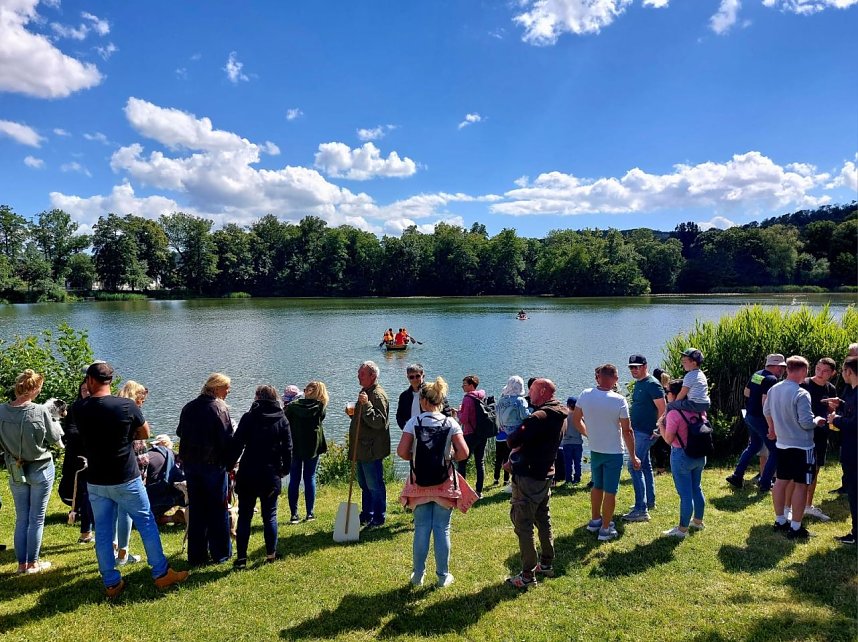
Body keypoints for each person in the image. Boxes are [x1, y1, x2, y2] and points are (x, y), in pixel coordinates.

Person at [74, 362, 187, 597]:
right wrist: (126, 434)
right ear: (109, 382)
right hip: (125, 477)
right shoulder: (126, 406)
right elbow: (145, 432)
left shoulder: (80, 408)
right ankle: (161, 573)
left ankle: (112, 582)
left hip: (96, 480)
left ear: (91, 381)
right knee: (146, 522)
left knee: (104, 530)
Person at [397, 377, 475, 588]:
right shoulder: (451, 423)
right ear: (441, 400)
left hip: (419, 482)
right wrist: (448, 456)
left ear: (423, 401)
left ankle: (417, 576)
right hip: (444, 482)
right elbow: (464, 453)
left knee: (421, 528)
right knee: (442, 529)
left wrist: (417, 455)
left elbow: (402, 452)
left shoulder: (414, 423)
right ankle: (442, 576)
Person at [504, 378, 568, 589]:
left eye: (531, 390)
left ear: (542, 391)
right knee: (543, 518)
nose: (528, 394)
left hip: (529, 477)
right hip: (546, 474)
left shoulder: (538, 417)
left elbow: (513, 439)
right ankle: (547, 563)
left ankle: (528, 575)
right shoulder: (561, 415)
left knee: (523, 524)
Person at [0, 369, 64, 574]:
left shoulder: (1, 410)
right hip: (40, 467)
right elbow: (55, 437)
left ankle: (21, 565)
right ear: (35, 389)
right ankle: (33, 564)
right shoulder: (39, 410)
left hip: (15, 467)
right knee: (36, 518)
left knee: (22, 517)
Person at [573, 364, 641, 542]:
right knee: (610, 491)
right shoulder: (619, 400)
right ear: (615, 379)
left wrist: (588, 433)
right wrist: (633, 455)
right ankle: (605, 529)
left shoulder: (585, 394)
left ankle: (595, 520)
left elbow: (575, 419)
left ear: (598, 377)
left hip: (595, 449)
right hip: (613, 452)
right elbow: (627, 431)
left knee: (597, 486)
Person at [228, 385, 293, 568]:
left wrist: (229, 464)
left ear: (258, 398)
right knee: (269, 515)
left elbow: (237, 443)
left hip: (248, 472)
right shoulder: (282, 419)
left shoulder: (249, 417)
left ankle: (241, 560)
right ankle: (271, 554)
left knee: (245, 516)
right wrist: (285, 469)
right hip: (270, 474)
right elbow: (288, 448)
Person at [176, 372, 234, 566]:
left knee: (198, 510)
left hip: (192, 466)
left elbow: (179, 432)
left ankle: (196, 555)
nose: (229, 390)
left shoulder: (189, 407)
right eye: (226, 387)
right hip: (213, 466)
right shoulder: (219, 408)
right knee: (218, 510)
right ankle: (221, 554)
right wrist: (231, 463)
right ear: (216, 388)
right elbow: (227, 439)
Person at [765, 356, 821, 540]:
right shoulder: (801, 393)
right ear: (804, 371)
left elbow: (766, 411)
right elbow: (806, 423)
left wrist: (772, 428)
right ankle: (795, 527)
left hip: (782, 444)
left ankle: (780, 520)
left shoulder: (774, 389)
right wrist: (818, 421)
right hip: (802, 446)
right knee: (801, 485)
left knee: (780, 482)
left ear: (787, 369)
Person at [726, 354, 787, 492]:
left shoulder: (757, 374)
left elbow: (746, 392)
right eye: (782, 368)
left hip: (750, 415)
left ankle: (737, 476)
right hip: (761, 418)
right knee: (776, 451)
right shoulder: (772, 379)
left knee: (754, 445)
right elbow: (765, 403)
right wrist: (771, 426)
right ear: (776, 366)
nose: (782, 371)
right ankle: (765, 483)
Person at [659, 379, 706, 537]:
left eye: (668, 392)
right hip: (700, 454)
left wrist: (661, 425)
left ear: (674, 395)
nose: (666, 395)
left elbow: (668, 439)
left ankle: (682, 530)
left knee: (685, 494)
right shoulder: (699, 409)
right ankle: (698, 522)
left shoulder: (674, 414)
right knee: (696, 488)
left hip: (681, 456)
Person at [623, 354, 666, 523]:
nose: (634, 369)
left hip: (646, 432)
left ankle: (641, 509)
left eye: (637, 366)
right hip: (639, 431)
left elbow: (663, 409)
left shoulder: (652, 384)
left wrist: (658, 430)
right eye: (631, 367)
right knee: (645, 465)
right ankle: (649, 502)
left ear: (645, 366)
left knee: (634, 465)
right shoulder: (640, 383)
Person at [348, 360, 390, 527]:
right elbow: (366, 420)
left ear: (372, 376)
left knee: (374, 485)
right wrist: (354, 415)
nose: (358, 377)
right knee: (365, 484)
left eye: (362, 374)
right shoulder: (366, 391)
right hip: (363, 448)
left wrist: (365, 405)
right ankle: (367, 514)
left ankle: (379, 517)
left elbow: (379, 422)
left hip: (371, 449)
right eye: (359, 374)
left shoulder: (377, 395)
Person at [113, 380, 151, 566]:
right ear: (136, 396)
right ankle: (123, 553)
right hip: (132, 467)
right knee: (126, 511)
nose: (142, 403)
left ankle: (113, 546)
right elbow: (145, 434)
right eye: (142, 399)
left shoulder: (113, 409)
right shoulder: (131, 411)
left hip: (115, 467)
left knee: (113, 508)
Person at [799, 357, 837, 522]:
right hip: (802, 435)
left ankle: (808, 505)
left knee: (815, 470)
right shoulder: (804, 384)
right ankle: (793, 507)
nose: (821, 373)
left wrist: (832, 409)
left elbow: (831, 411)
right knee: (799, 472)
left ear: (832, 373)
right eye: (818, 369)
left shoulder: (831, 389)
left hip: (821, 436)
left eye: (825, 371)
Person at [285, 381, 329, 522]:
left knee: (294, 479)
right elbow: (321, 419)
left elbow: (286, 421)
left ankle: (294, 514)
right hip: (312, 447)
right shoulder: (320, 407)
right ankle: (309, 513)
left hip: (295, 446)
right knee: (309, 477)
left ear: (306, 391)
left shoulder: (292, 407)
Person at [59, 379, 95, 543]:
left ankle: (90, 529)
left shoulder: (100, 407)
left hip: (97, 457)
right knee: (86, 493)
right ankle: (86, 531)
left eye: (88, 390)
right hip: (81, 459)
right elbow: (70, 432)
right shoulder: (75, 408)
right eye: (83, 390)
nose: (86, 393)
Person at [828, 355, 857, 545]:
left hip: (854, 451)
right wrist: (842, 405)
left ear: (849, 372)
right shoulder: (853, 392)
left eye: (844, 371)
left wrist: (834, 420)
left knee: (855, 494)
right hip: (850, 449)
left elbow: (855, 424)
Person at [494, 376, 530, 491]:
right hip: (517, 433)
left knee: (506, 458)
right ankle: (516, 483)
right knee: (518, 459)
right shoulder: (520, 401)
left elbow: (497, 417)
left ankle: (510, 482)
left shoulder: (502, 400)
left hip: (504, 432)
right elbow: (525, 416)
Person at [456, 375, 488, 497]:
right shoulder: (481, 396)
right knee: (480, 462)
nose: (462, 387)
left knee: (462, 461)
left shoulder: (467, 399)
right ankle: (479, 491)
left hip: (470, 434)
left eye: (464, 384)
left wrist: (458, 412)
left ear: (471, 385)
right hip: (482, 433)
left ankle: (462, 492)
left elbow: (463, 420)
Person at [145, 434, 186, 524]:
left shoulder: (150, 456)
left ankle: (169, 518)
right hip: (175, 495)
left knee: (140, 518)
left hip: (156, 497)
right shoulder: (175, 457)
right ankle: (180, 514)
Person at [664, 348, 710, 413]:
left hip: (695, 404)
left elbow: (682, 393)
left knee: (670, 406)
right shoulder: (701, 374)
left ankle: (665, 422)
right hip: (705, 403)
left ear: (694, 363)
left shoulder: (689, 375)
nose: (682, 364)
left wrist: (675, 403)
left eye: (685, 362)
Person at [650, 368, 671, 475]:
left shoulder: (655, 390)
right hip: (668, 421)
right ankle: (663, 468)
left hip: (657, 422)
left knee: (657, 446)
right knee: (665, 445)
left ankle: (660, 468)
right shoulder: (668, 391)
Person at [560, 396, 582, 484]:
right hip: (577, 443)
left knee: (568, 463)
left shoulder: (565, 417)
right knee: (578, 462)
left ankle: (568, 479)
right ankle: (577, 478)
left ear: (568, 405)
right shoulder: (579, 417)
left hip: (567, 443)